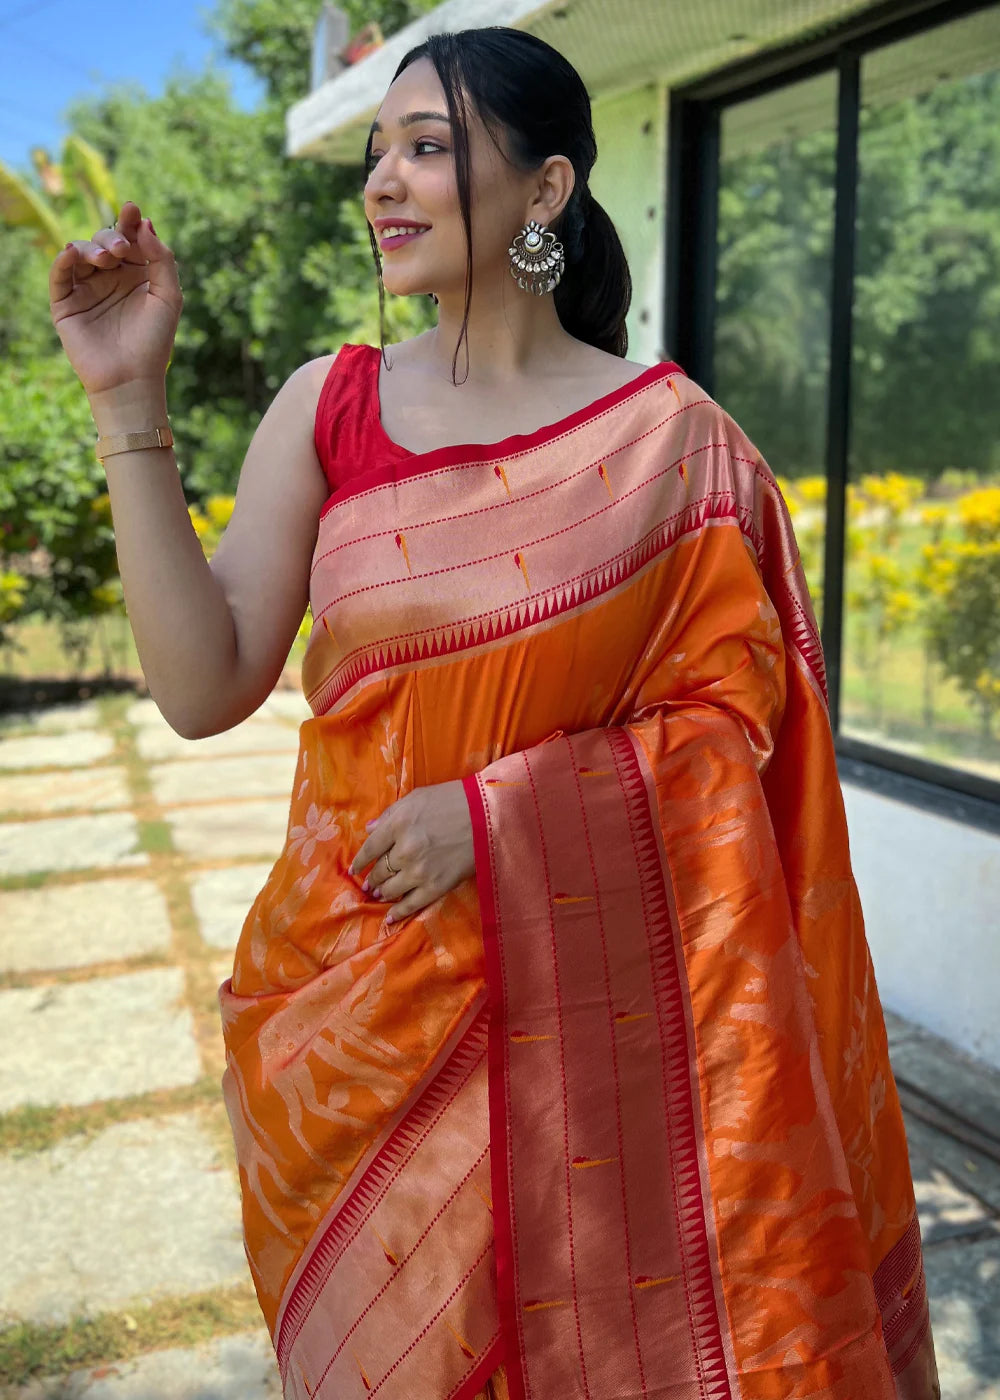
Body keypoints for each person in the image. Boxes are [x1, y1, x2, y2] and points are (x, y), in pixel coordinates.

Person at [49, 25, 939, 1400]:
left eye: (429, 147)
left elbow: (733, 736)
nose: (383, 184)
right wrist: (128, 393)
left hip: (607, 1056)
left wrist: (506, 817)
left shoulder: (671, 443)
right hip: (359, 1023)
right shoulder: (330, 406)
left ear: (546, 190)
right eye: (375, 153)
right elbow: (202, 679)